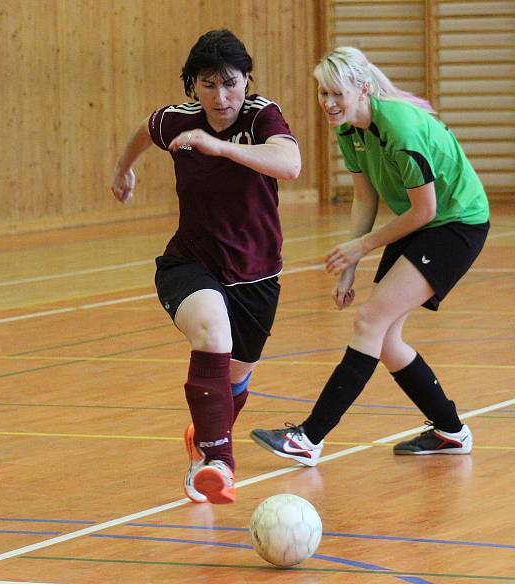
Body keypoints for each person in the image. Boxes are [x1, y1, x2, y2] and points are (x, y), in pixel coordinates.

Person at [251, 46, 489, 466]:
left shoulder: (401, 129)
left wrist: (361, 246)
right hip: (420, 221)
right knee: (387, 338)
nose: (327, 103)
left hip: (456, 223)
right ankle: (451, 431)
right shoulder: (348, 129)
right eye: (322, 93)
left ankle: (309, 437)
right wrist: (349, 268)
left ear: (362, 88)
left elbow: (426, 209)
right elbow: (365, 197)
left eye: (335, 93)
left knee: (370, 321)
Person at [111, 29, 301, 504]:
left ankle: (205, 437)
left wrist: (222, 148)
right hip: (190, 264)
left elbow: (290, 163)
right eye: (209, 85)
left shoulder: (261, 115)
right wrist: (123, 169)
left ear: (247, 81)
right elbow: (145, 129)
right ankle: (217, 464)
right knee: (213, 333)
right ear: (193, 85)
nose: (222, 96)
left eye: (231, 83)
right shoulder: (177, 122)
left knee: (234, 378)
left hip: (257, 273)